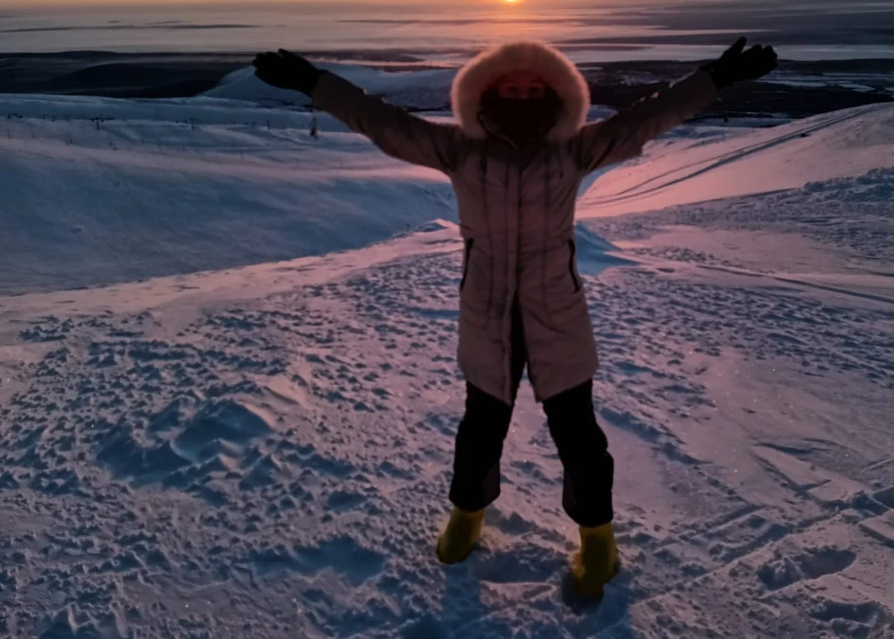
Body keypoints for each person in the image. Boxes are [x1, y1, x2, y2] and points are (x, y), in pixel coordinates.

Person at [253, 36, 777, 597]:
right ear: (487, 90)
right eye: (511, 85)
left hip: (558, 312)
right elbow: (384, 123)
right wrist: (315, 83)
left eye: (534, 87)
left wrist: (714, 78)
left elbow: (645, 119)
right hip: (486, 312)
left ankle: (597, 533)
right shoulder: (459, 149)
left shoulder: (573, 150)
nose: (523, 93)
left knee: (577, 433)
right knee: (480, 429)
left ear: (555, 93)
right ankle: (468, 514)